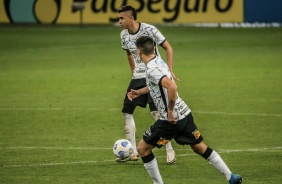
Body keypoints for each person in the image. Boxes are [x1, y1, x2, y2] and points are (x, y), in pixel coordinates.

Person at [127, 36, 243, 184]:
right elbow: (157, 85)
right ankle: (230, 176)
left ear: (138, 51)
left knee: (143, 149)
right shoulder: (158, 60)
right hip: (184, 113)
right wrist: (140, 92)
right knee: (199, 147)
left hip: (170, 120)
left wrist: (169, 112)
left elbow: (172, 87)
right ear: (154, 48)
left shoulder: (151, 68)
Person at [116, 5, 179, 164]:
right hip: (138, 76)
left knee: (157, 113)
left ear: (131, 18)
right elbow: (129, 55)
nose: (119, 22)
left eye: (122, 18)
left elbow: (168, 48)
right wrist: (133, 73)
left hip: (154, 73)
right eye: (119, 18)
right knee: (126, 110)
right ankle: (132, 152)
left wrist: (169, 70)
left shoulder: (150, 29)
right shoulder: (123, 35)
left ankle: (169, 149)